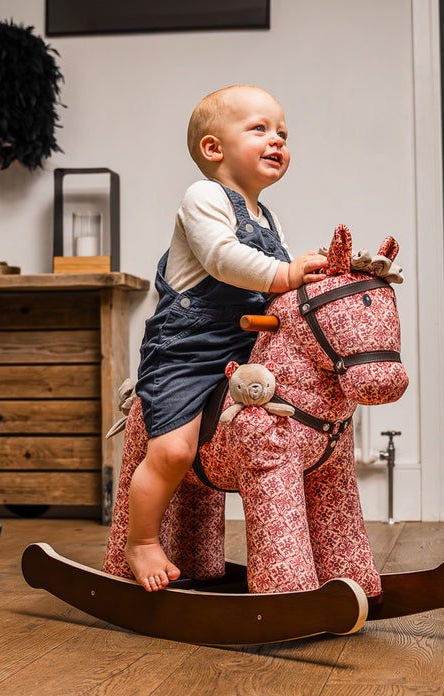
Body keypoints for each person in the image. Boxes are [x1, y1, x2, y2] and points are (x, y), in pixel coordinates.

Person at [125, 85, 328, 591]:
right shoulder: (204, 198)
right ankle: (142, 541)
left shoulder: (268, 217)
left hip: (246, 352)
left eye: (282, 131)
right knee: (173, 451)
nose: (276, 139)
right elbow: (223, 259)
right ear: (214, 149)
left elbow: (275, 289)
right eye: (259, 128)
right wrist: (286, 274)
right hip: (186, 352)